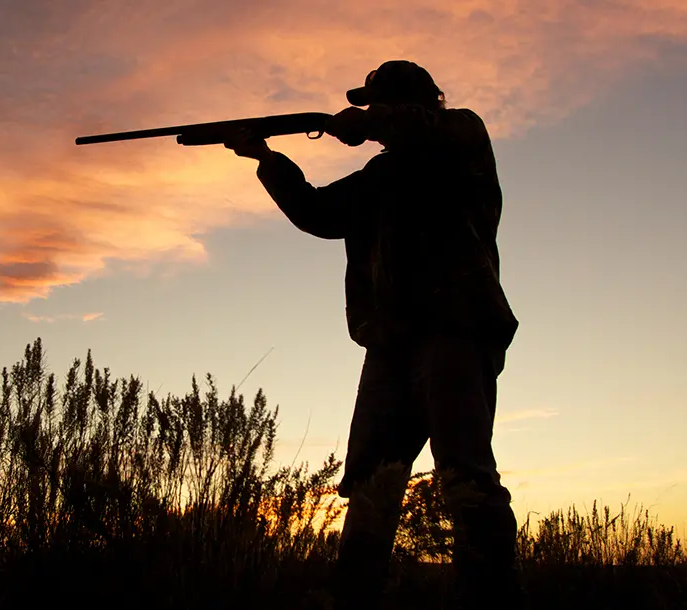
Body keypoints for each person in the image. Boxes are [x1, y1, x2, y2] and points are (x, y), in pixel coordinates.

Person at [224, 60, 527, 609]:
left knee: (464, 474)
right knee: (370, 483)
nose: (365, 113)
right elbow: (317, 212)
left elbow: (417, 128)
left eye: (374, 103)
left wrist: (364, 123)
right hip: (391, 341)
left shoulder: (460, 134)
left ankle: (489, 597)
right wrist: (266, 158)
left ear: (404, 102)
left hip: (455, 326)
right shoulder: (379, 177)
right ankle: (355, 597)